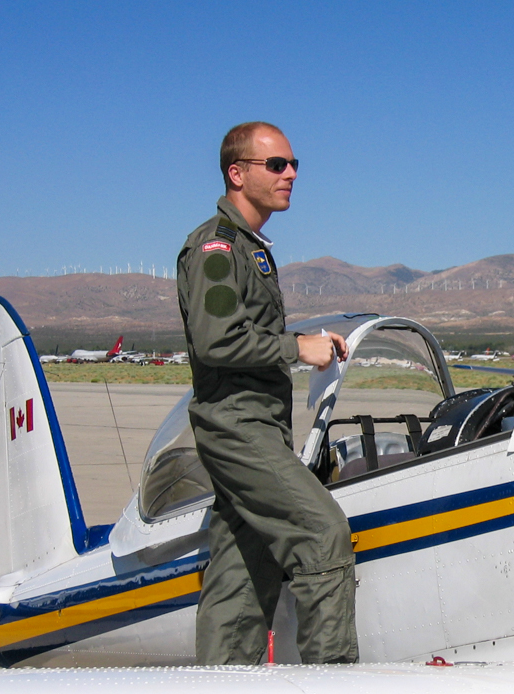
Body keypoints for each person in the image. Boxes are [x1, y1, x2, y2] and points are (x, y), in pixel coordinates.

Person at [176, 122, 358, 665]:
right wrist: (298, 349)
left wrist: (304, 343)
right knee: (323, 536)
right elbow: (217, 339)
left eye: (294, 164)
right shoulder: (216, 247)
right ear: (237, 173)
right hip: (239, 428)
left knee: (240, 580)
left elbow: (243, 332)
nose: (291, 174)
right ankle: (332, 679)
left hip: (260, 429)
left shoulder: (250, 249)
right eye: (276, 164)